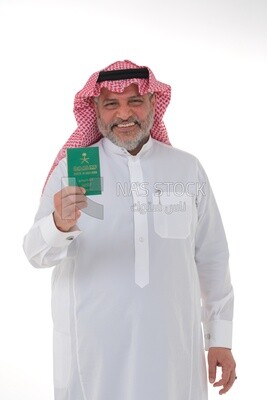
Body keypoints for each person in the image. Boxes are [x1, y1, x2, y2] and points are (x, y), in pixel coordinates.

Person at [23, 60, 236, 400]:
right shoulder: (71, 168)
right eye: (111, 104)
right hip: (94, 354)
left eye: (134, 101)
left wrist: (220, 340)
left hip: (173, 352)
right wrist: (58, 224)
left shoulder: (186, 168)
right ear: (95, 109)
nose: (124, 114)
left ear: (153, 103)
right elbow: (34, 253)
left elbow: (212, 258)